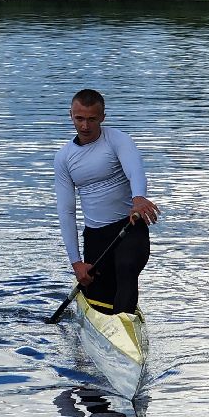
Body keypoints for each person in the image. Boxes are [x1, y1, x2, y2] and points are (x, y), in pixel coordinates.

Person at [54, 89, 159, 314]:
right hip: (96, 238)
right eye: (79, 118)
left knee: (126, 268)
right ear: (70, 115)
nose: (85, 126)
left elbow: (135, 170)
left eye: (92, 119)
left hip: (129, 227)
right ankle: (111, 319)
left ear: (102, 117)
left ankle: (127, 329)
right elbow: (66, 212)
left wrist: (138, 197)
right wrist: (76, 263)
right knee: (101, 299)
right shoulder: (64, 158)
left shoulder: (118, 140)